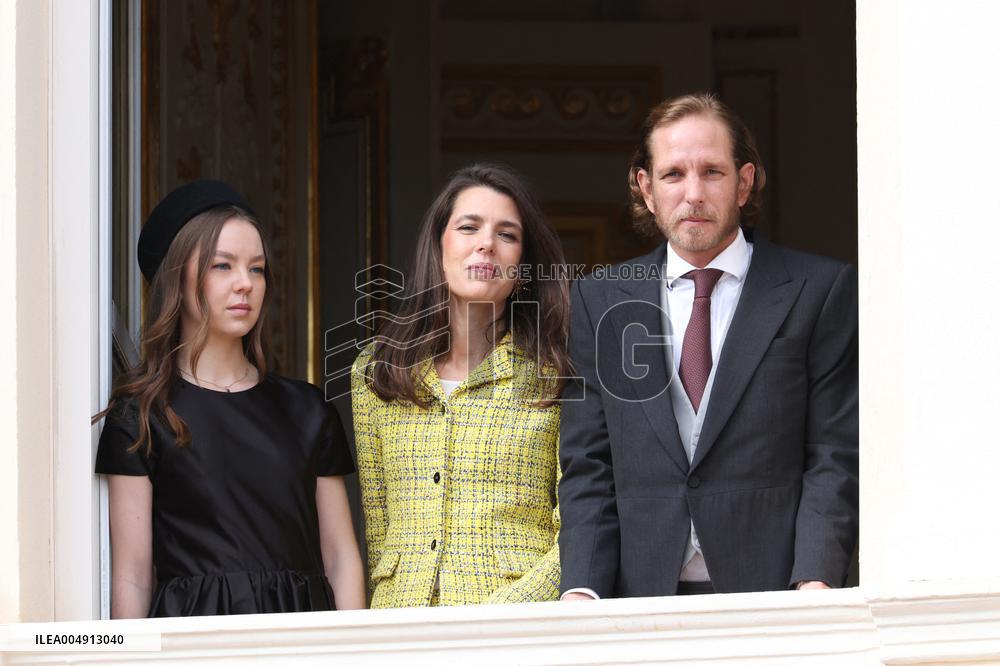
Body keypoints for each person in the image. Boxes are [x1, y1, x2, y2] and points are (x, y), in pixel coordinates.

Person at [558, 93, 858, 599]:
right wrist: (581, 588)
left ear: (744, 182)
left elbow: (832, 450)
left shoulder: (819, 290)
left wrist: (817, 576)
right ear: (646, 188)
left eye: (712, 172)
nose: (693, 193)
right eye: (674, 174)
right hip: (639, 598)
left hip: (778, 593)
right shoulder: (597, 299)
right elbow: (589, 460)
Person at [94, 180, 365, 617]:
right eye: (223, 266)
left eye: (256, 269)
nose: (245, 284)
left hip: (301, 638)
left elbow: (340, 557)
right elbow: (133, 573)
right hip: (193, 641)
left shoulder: (309, 410)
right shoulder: (141, 416)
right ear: (175, 279)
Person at [351, 163, 570, 608]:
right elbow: (379, 528)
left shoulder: (557, 373)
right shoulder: (376, 372)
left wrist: (503, 616)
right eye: (469, 227)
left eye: (507, 235)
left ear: (522, 266)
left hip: (519, 631)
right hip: (402, 631)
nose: (486, 244)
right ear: (439, 246)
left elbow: (580, 526)